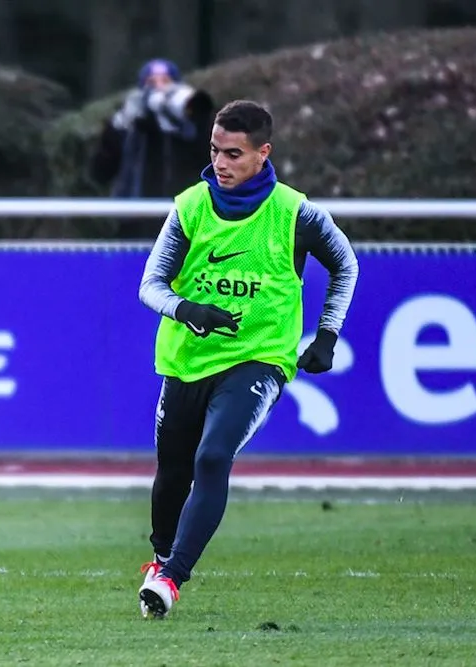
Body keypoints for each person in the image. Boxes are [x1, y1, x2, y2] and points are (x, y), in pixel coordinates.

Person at [135, 99, 359, 618]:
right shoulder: (190, 207)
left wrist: (327, 335)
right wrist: (187, 308)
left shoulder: (295, 213)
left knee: (212, 458)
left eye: (233, 154)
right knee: (172, 475)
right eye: (215, 150)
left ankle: (171, 578)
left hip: (259, 360)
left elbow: (345, 265)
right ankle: (160, 557)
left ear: (264, 153)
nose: (221, 163)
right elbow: (149, 285)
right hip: (186, 360)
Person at [89, 59, 215, 238]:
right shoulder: (129, 126)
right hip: (136, 224)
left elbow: (209, 161)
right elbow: (99, 173)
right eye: (151, 82)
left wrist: (194, 121)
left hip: (186, 222)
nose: (159, 89)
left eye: (165, 82)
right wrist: (119, 127)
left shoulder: (190, 127)